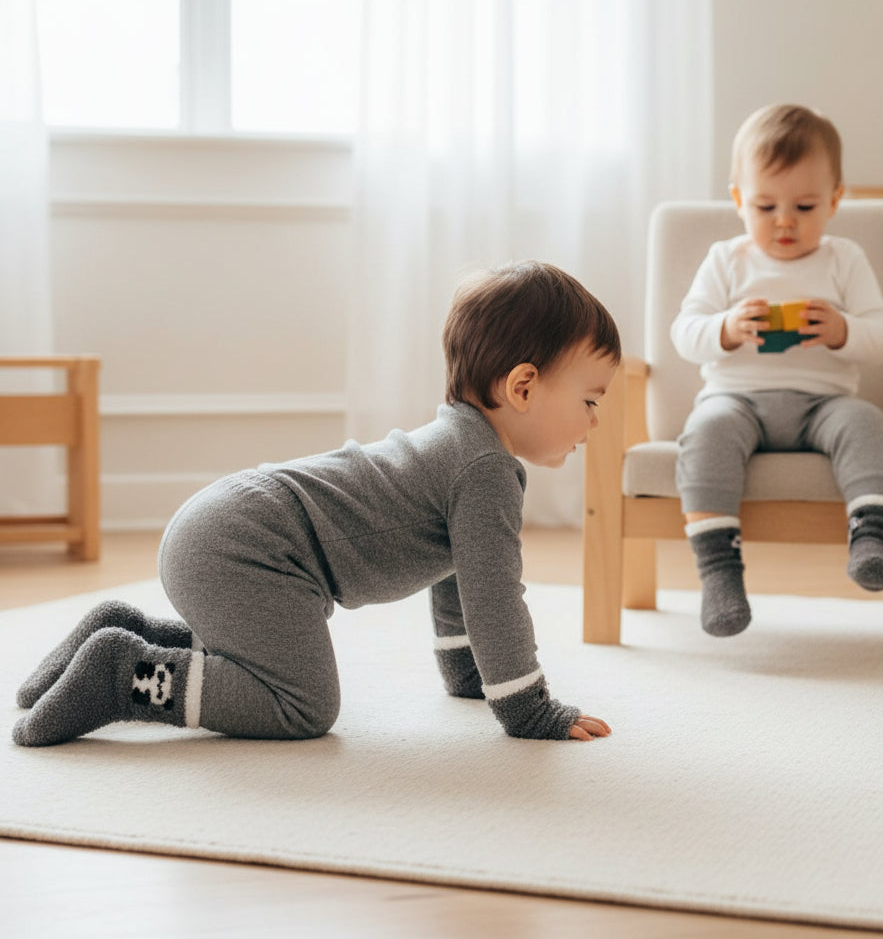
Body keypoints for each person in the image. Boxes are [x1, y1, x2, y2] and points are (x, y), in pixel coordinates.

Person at [14, 261, 620, 746]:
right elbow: (493, 597)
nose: (595, 421)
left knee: (269, 657)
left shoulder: (461, 449)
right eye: (590, 401)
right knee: (303, 703)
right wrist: (526, 707)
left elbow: (456, 572)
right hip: (249, 549)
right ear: (522, 387)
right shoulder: (485, 469)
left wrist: (467, 674)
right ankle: (124, 674)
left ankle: (129, 628)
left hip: (224, 528)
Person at [672, 104, 883, 638]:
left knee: (866, 422)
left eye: (804, 205)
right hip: (736, 400)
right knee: (705, 431)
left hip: (823, 404)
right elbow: (684, 332)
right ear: (737, 200)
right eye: (765, 204)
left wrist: (842, 329)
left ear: (836, 201)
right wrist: (727, 327)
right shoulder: (726, 259)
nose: (784, 220)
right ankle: (720, 574)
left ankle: (871, 539)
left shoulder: (844, 260)